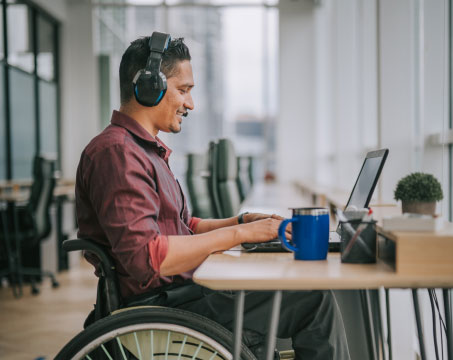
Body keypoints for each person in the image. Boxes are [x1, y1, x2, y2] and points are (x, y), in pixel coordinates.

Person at [75, 34, 350, 359]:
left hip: (181, 295)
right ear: (149, 87)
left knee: (299, 291)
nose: (190, 104)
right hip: (160, 309)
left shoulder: (141, 150)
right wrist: (240, 234)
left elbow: (182, 226)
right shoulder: (117, 153)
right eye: (184, 90)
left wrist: (243, 221)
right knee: (312, 300)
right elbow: (148, 259)